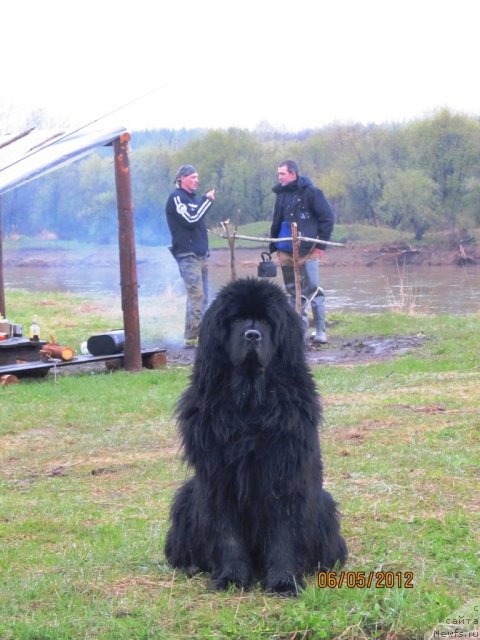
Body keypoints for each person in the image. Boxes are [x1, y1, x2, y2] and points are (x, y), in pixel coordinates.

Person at [269, 160, 334, 343]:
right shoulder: (280, 195)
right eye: (278, 173)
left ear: (293, 174)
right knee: (292, 291)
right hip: (285, 251)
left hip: (308, 251)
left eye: (282, 173)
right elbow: (276, 221)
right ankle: (300, 333)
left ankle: (320, 332)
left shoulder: (312, 193)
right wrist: (274, 246)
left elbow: (327, 219)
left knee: (313, 289)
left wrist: (320, 246)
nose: (278, 177)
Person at [165, 165, 215, 348]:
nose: (197, 180)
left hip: (201, 255)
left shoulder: (193, 200)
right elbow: (191, 219)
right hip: (187, 255)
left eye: (197, 177)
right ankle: (200, 338)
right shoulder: (177, 198)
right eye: (193, 177)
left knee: (203, 297)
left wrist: (203, 202)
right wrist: (207, 201)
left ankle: (191, 337)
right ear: (182, 178)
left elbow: (196, 216)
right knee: (197, 295)